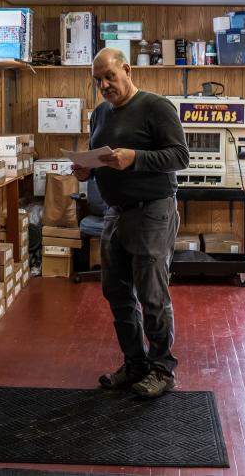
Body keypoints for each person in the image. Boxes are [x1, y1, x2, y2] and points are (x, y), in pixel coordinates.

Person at [71, 47, 189, 398]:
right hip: (115, 212)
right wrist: (86, 170)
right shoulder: (100, 115)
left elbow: (180, 156)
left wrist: (135, 157)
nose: (104, 85)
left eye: (110, 76)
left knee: (152, 295)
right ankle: (135, 364)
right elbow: (100, 158)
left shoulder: (155, 107)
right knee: (116, 292)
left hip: (152, 210)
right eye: (98, 81)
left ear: (127, 69)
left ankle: (162, 369)